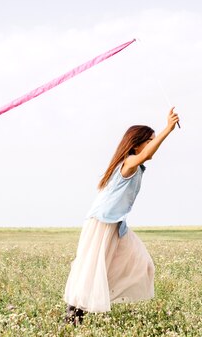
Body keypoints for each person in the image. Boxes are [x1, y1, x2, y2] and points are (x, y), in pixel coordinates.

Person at [63, 107, 180, 324]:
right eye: (149, 141)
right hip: (102, 222)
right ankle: (74, 317)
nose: (152, 145)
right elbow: (146, 154)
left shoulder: (135, 166)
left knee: (141, 262)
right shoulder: (129, 163)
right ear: (136, 145)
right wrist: (168, 129)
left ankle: (90, 303)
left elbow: (147, 154)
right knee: (91, 268)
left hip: (115, 223)